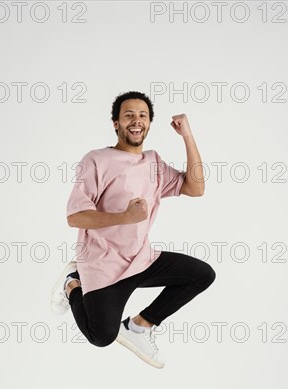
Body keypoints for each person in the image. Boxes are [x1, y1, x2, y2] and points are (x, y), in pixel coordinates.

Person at [51, 91, 216, 368]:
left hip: (140, 259)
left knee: (201, 275)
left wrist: (187, 136)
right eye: (128, 115)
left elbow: (196, 188)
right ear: (116, 123)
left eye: (143, 115)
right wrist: (125, 217)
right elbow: (75, 217)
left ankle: (139, 326)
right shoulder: (96, 160)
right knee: (101, 336)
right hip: (103, 265)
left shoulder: (153, 163)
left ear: (150, 123)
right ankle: (72, 283)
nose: (136, 121)